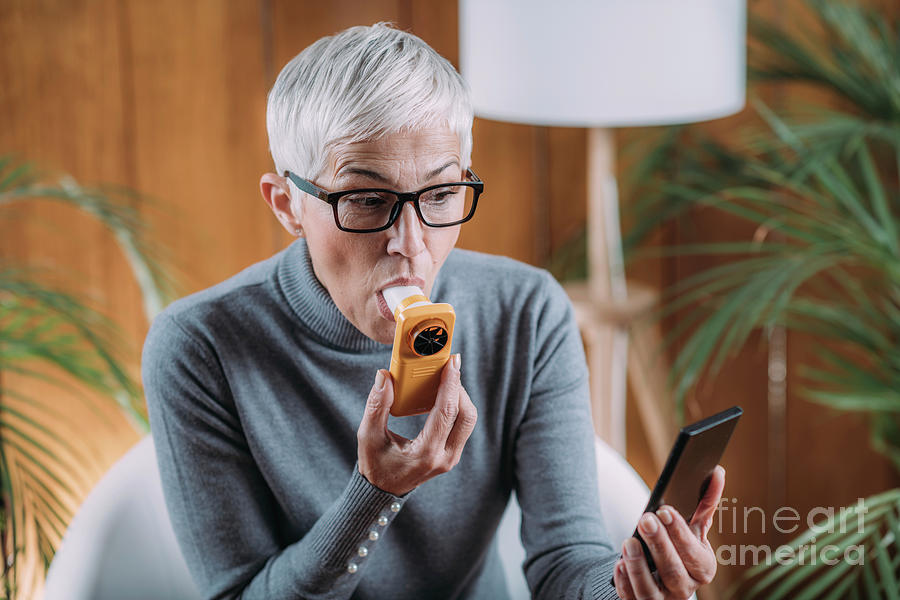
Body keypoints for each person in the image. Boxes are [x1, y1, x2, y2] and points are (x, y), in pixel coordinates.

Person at [142, 22, 724, 600]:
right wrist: (372, 494)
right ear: (288, 205)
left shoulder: (525, 312)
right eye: (368, 200)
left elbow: (565, 566)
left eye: (442, 195)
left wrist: (629, 589)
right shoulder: (199, 346)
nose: (412, 245)